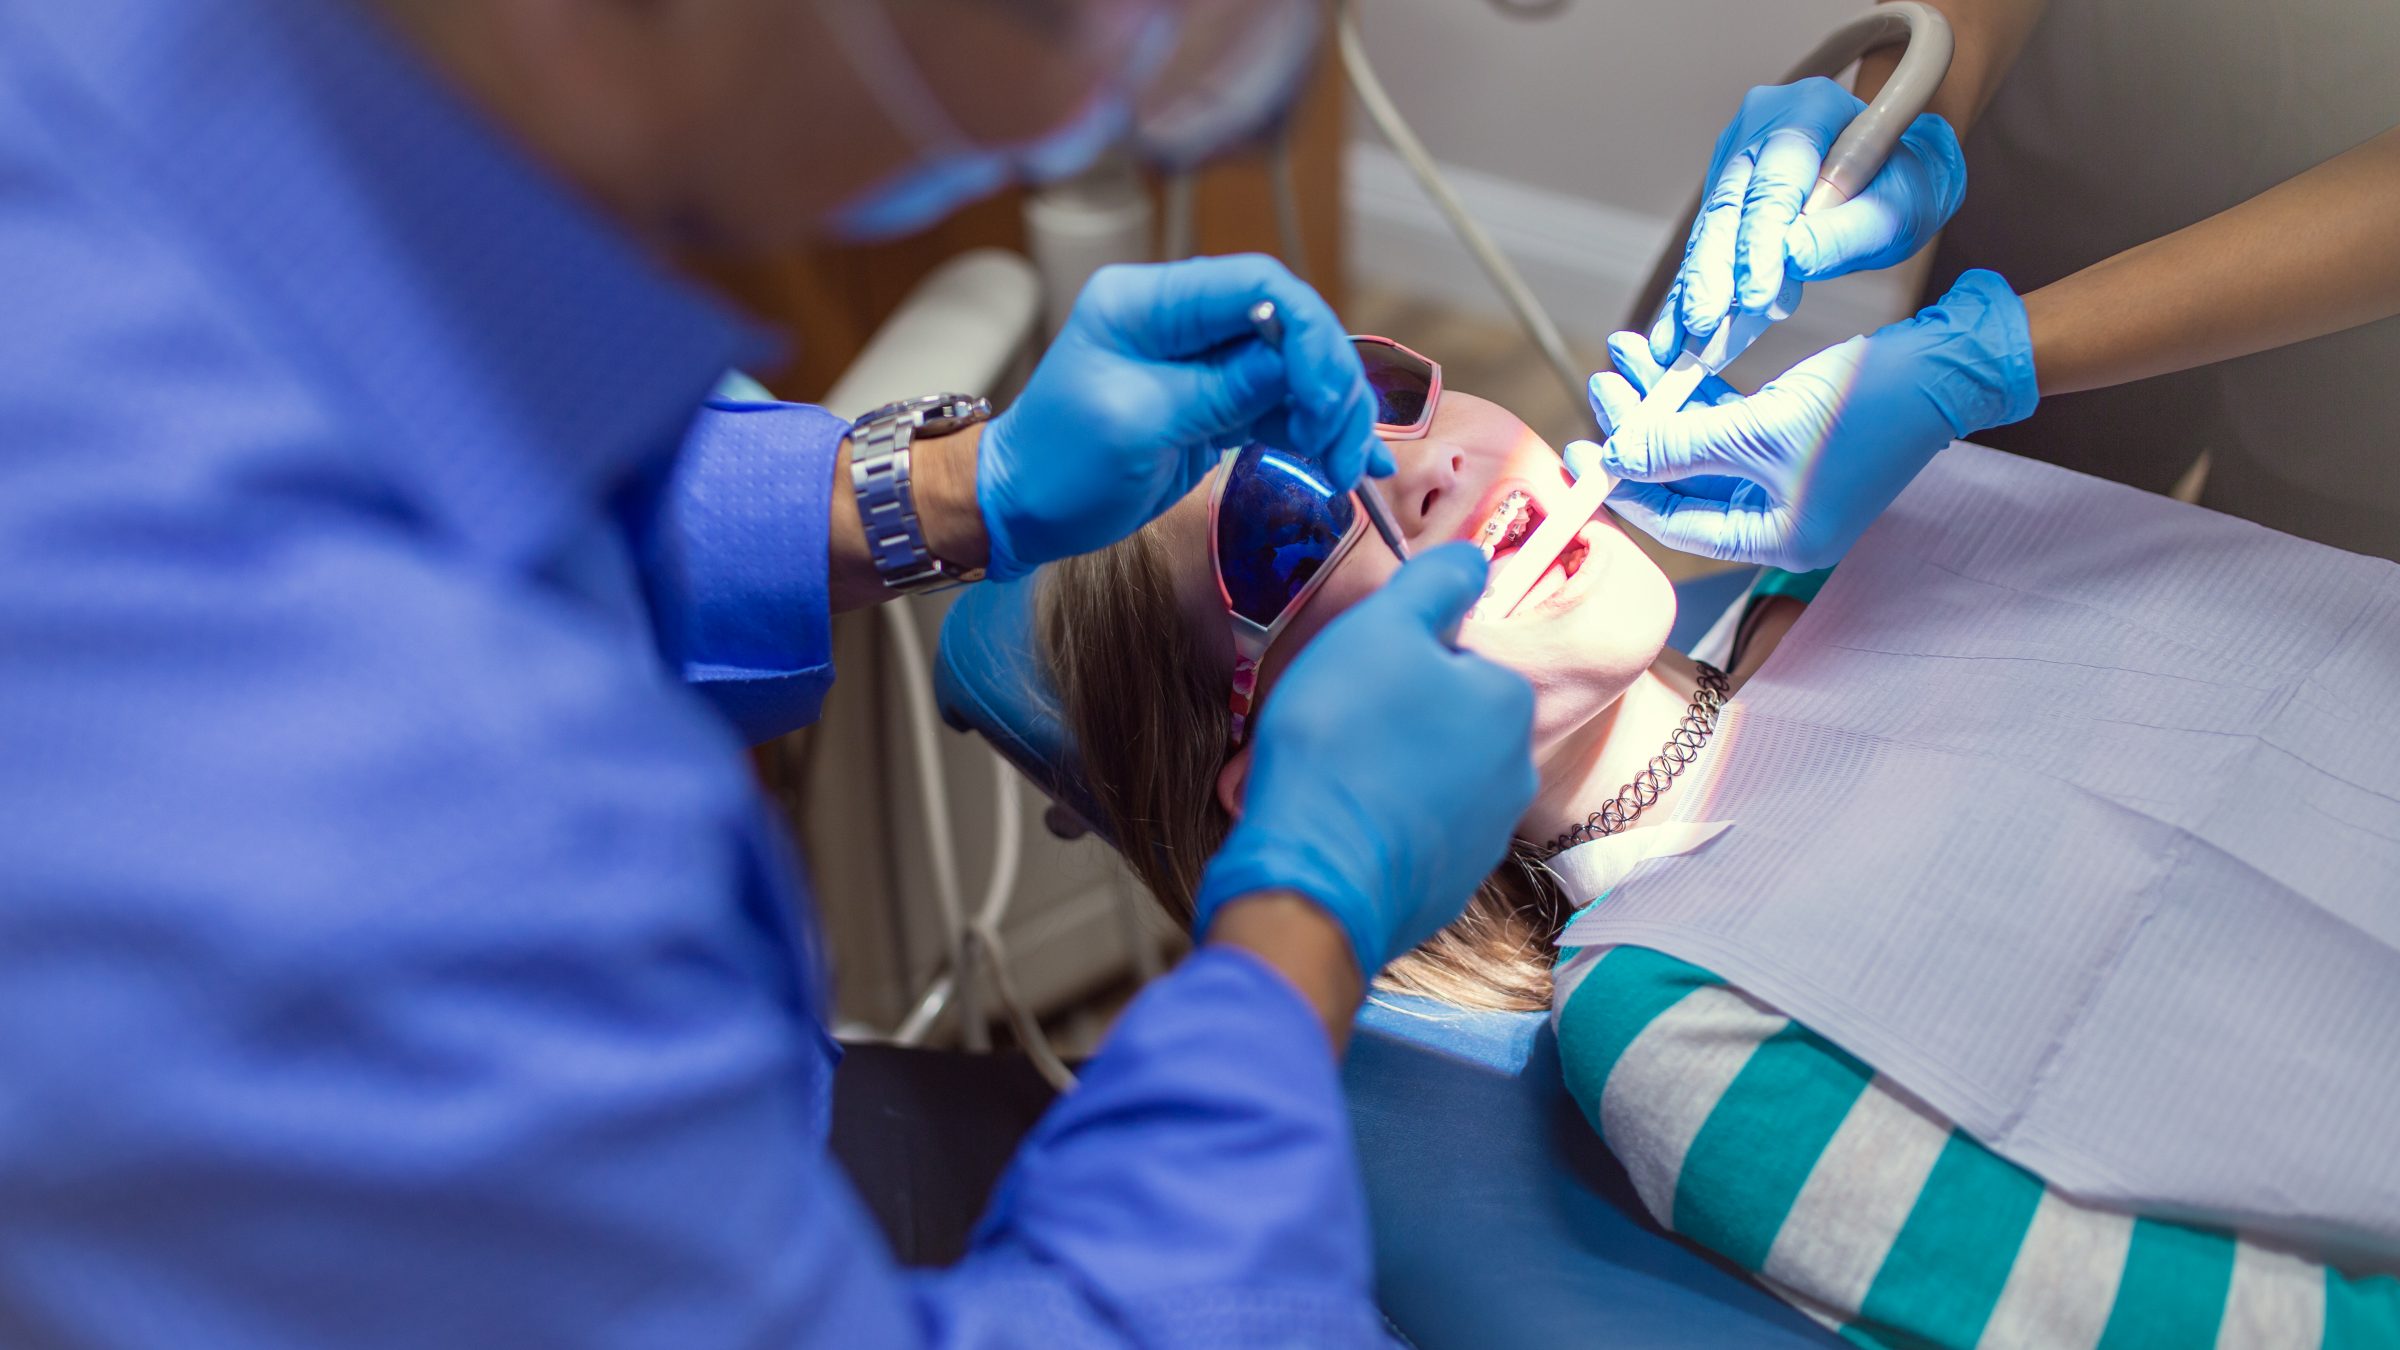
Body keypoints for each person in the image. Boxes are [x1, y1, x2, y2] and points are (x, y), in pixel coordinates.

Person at [0, 0, 1554, 1343]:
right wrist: (1310, 905)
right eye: (1107, 28)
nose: (1120, 88)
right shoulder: (420, 834)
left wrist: (966, 485)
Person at [1037, 352, 2400, 1344]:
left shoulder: (1897, 519)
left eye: (1367, 393)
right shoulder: (1671, 1024)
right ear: (1275, 752)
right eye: (1287, 519)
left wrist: (2015, 349)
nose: (1424, 465)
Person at [1613, 0, 2400, 572]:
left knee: (2302, 582)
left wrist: (1988, 358)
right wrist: (1898, 119)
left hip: (2371, 354)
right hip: (2111, 106)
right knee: (1968, 524)